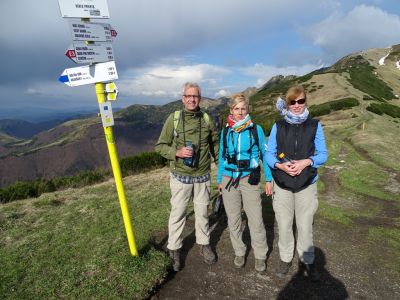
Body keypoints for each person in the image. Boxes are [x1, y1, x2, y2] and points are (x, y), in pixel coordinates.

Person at [155, 82, 219, 272]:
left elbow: (215, 144)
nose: (192, 99)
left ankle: (204, 244)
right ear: (183, 98)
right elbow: (160, 146)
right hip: (180, 177)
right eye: (188, 96)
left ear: (200, 99)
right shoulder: (173, 119)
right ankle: (174, 249)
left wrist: (222, 169)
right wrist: (177, 152)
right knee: (178, 214)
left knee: (202, 213)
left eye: (196, 96)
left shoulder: (207, 119)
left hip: (202, 176)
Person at [266, 85, 327, 281]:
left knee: (304, 225)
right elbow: (269, 153)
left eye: (301, 101)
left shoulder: (315, 125)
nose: (297, 105)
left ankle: (307, 261)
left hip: (306, 183)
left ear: (305, 102)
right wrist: (279, 166)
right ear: (287, 103)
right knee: (284, 225)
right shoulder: (278, 126)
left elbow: (323, 154)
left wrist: (306, 162)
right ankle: (285, 259)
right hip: (282, 183)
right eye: (293, 102)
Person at [216, 93, 273, 272]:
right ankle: (239, 251)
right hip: (228, 179)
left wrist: (269, 179)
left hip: (250, 178)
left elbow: (266, 155)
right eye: (236, 109)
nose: (240, 112)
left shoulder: (256, 130)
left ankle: (260, 255)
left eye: (243, 108)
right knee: (233, 219)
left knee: (255, 219)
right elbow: (221, 157)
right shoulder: (226, 131)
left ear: (248, 109)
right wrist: (219, 179)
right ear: (231, 110)